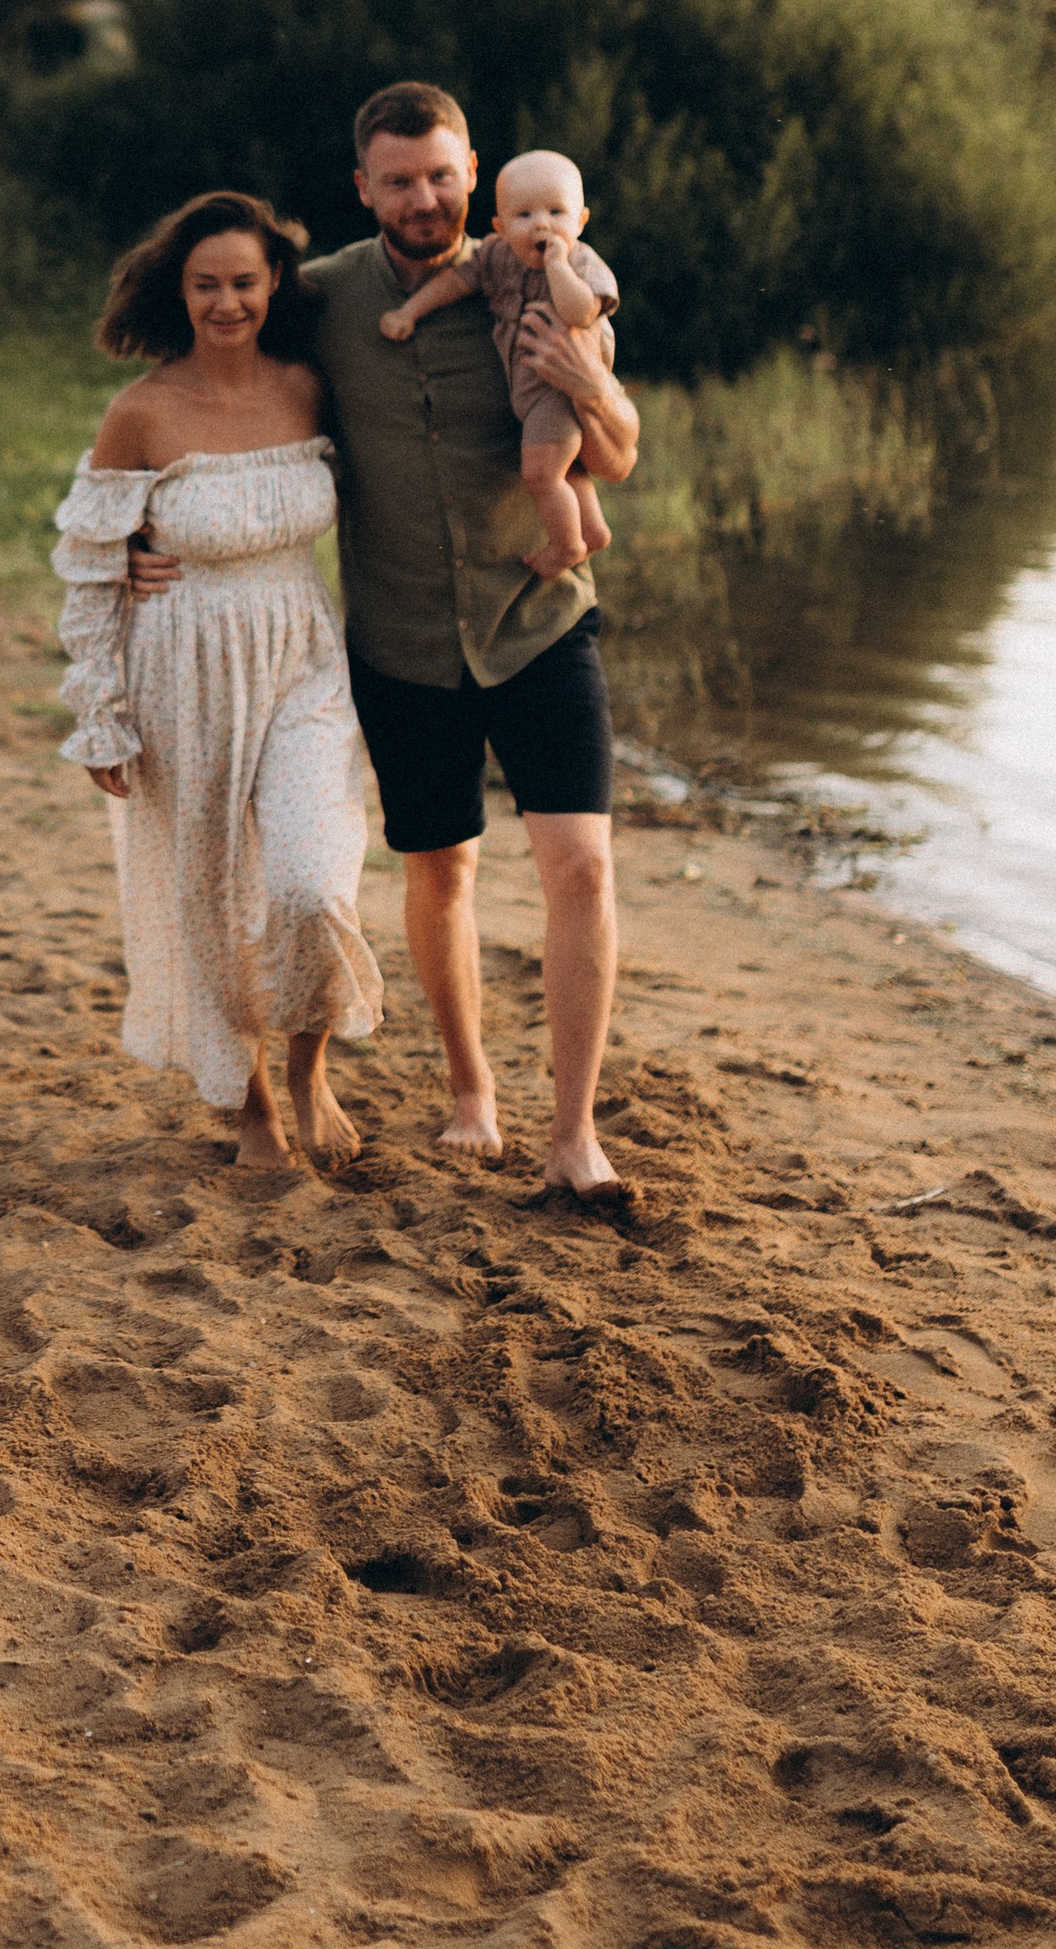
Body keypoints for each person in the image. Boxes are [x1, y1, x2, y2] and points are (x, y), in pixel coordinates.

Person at [126, 87, 639, 1210]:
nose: (424, 198)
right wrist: (137, 538)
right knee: (439, 867)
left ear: (475, 171)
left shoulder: (537, 266)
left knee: (582, 865)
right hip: (401, 641)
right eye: (398, 179)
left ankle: (574, 1131)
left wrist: (595, 384)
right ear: (363, 187)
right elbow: (217, 379)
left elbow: (619, 446)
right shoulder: (321, 299)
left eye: (442, 176)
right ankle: (471, 1093)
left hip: (540, 622)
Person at [54, 191, 384, 1175]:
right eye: (206, 284)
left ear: (274, 281)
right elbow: (86, 560)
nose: (226, 300)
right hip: (181, 665)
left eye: (243, 280)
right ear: (181, 289)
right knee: (205, 891)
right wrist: (100, 713)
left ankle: (308, 1067)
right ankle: (252, 1112)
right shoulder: (143, 410)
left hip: (303, 658)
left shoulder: (307, 386)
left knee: (307, 879)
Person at [378, 146, 620, 577]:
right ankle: (594, 530)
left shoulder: (581, 261)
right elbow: (457, 280)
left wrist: (557, 264)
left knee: (541, 475)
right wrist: (410, 312)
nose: (542, 223)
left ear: (581, 220)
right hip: (529, 397)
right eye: (524, 215)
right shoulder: (496, 257)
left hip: (560, 393)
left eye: (557, 212)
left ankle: (566, 546)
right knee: (568, 469)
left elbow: (580, 312)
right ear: (500, 227)